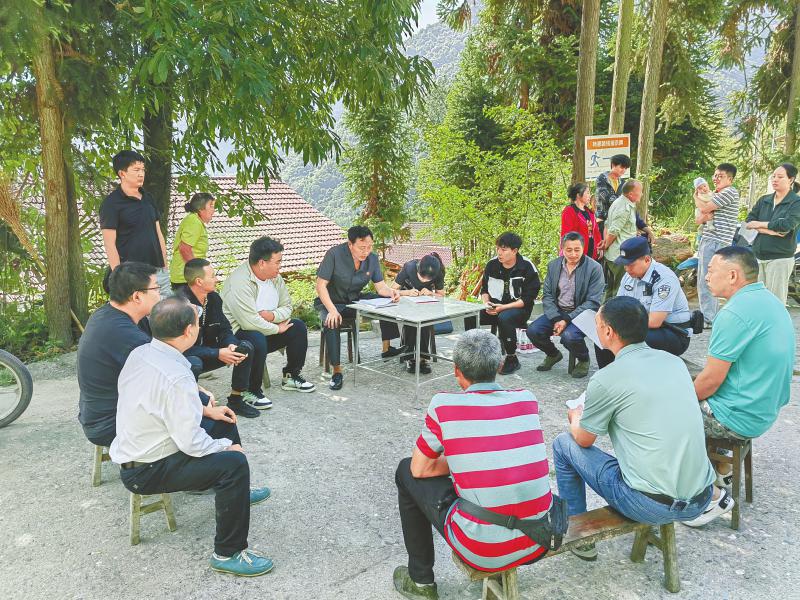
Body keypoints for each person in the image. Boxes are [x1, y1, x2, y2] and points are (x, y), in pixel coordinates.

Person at [552, 296, 730, 561]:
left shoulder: (606, 378)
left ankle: (577, 532)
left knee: (563, 444)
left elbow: (584, 439)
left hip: (648, 505)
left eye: (597, 324)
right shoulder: (674, 363)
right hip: (700, 498)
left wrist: (575, 416)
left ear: (608, 332)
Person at [109, 296, 274, 577]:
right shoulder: (176, 376)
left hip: (144, 451)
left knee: (223, 420)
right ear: (189, 331)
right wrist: (226, 448)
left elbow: (161, 404)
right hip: (147, 470)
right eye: (197, 323)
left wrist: (206, 412)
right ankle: (228, 552)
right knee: (234, 463)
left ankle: (235, 493)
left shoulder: (143, 353)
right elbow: (190, 442)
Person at [393, 330, 553, 600]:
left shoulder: (444, 405)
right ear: (499, 366)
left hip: (483, 550)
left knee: (404, 471)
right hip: (539, 538)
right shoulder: (527, 399)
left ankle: (421, 582)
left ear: (456, 371)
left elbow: (419, 469)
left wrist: (461, 458)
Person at [693, 247, 794, 488]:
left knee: (664, 409)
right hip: (765, 408)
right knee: (689, 383)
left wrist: (676, 398)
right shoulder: (770, 300)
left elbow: (710, 382)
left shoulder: (733, 313)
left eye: (711, 271)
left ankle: (700, 491)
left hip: (738, 417)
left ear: (732, 275)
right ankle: (721, 467)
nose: (706, 277)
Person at [222, 236, 316, 403]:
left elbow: (287, 306)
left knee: (297, 327)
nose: (280, 266)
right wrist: (277, 329)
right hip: (238, 334)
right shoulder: (239, 282)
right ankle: (251, 390)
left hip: (268, 326)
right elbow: (248, 322)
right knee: (256, 337)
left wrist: (272, 316)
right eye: (277, 262)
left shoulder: (274, 277)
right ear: (262, 263)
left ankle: (291, 376)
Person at [77, 262, 160, 447]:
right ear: (137, 296)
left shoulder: (108, 313)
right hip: (109, 424)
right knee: (207, 424)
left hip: (103, 413)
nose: (159, 295)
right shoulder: (124, 334)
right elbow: (163, 380)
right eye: (156, 289)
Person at [314, 225, 401, 391]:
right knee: (332, 321)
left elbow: (381, 288)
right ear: (350, 244)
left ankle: (387, 348)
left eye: (369, 247)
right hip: (331, 302)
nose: (366, 252)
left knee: (388, 302)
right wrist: (332, 310)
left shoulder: (372, 259)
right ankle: (337, 371)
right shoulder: (334, 254)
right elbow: (320, 286)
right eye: (362, 247)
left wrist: (392, 293)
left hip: (354, 300)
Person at [179, 258, 266, 418]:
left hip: (211, 351)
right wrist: (217, 353)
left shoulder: (213, 298)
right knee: (195, 363)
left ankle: (236, 399)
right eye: (212, 276)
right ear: (199, 281)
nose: (217, 279)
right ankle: (193, 405)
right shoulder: (180, 304)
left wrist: (231, 345)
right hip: (186, 357)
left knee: (244, 348)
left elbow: (225, 329)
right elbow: (180, 348)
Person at [595, 237, 693, 368]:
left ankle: (628, 376)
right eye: (624, 264)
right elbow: (618, 306)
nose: (626, 268)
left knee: (625, 341)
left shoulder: (664, 278)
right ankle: (609, 376)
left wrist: (620, 325)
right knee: (602, 337)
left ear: (647, 259)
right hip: (640, 328)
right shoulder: (629, 276)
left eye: (631, 264)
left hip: (672, 332)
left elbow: (654, 321)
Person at [526, 233, 604, 379]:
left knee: (569, 336)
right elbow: (547, 295)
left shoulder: (594, 268)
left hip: (582, 314)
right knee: (533, 331)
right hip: (558, 311)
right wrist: (556, 318)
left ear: (583, 248)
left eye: (577, 250)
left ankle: (583, 359)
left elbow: (592, 302)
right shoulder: (554, 266)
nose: (573, 254)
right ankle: (553, 354)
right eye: (569, 250)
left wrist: (566, 320)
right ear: (562, 249)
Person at [464, 232, 540, 375]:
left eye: (504, 250)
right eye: (498, 248)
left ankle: (512, 358)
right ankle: (472, 354)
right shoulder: (492, 265)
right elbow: (484, 290)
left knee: (505, 317)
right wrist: (486, 304)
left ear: (515, 251)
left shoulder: (527, 267)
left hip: (519, 309)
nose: (499, 252)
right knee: (470, 314)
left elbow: (527, 299)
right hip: (494, 307)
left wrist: (503, 308)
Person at [100, 150, 171, 298]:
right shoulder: (111, 203)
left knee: (166, 309)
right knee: (139, 311)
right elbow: (109, 244)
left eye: (143, 170)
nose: (141, 174)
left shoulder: (148, 198)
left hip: (158, 270)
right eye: (136, 170)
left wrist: (165, 265)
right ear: (122, 173)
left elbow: (158, 233)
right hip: (132, 274)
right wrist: (119, 276)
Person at [744, 162, 800, 304]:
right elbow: (749, 221)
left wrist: (760, 224)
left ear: (791, 179)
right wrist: (772, 231)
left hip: (780, 259)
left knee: (775, 302)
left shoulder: (796, 202)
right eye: (773, 176)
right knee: (758, 301)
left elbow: (786, 225)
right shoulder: (764, 200)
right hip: (758, 257)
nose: (775, 179)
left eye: (780, 177)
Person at [695, 163, 740, 326]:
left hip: (717, 241)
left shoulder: (730, 192)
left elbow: (705, 208)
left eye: (720, 176)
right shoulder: (714, 194)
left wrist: (696, 197)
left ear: (730, 179)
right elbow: (698, 219)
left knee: (710, 280)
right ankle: (711, 316)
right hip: (708, 239)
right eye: (715, 175)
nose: (715, 179)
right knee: (706, 279)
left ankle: (710, 318)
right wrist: (704, 213)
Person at [388, 254, 445, 375]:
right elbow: (392, 290)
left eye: (427, 280)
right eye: (421, 277)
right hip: (406, 301)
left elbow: (441, 295)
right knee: (411, 320)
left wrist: (431, 293)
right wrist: (407, 292)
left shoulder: (439, 272)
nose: (424, 281)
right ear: (418, 269)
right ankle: (409, 357)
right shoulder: (409, 267)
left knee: (425, 320)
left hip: (426, 303)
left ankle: (423, 358)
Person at [601, 179, 647, 300]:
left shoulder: (621, 202)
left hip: (614, 254)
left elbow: (608, 225)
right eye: (640, 191)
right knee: (620, 289)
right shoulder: (624, 207)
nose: (642, 194)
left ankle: (605, 310)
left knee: (611, 289)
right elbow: (613, 231)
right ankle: (613, 311)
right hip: (619, 255)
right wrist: (605, 246)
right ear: (631, 194)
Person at [170, 192, 215, 288]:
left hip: (187, 278)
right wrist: (198, 273)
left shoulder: (195, 220)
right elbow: (184, 249)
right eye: (211, 206)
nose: (213, 209)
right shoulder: (194, 221)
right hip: (185, 279)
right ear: (200, 208)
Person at [560, 182, 602, 260]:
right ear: (578, 195)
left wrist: (600, 247)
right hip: (575, 256)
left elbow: (596, 232)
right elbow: (566, 235)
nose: (590, 196)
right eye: (587, 193)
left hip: (591, 256)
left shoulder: (589, 213)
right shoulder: (569, 211)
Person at [595, 154, 630, 230]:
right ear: (613, 165)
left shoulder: (623, 183)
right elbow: (604, 197)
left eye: (625, 168)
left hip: (618, 221)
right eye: (622, 167)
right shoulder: (602, 178)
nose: (624, 170)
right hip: (603, 219)